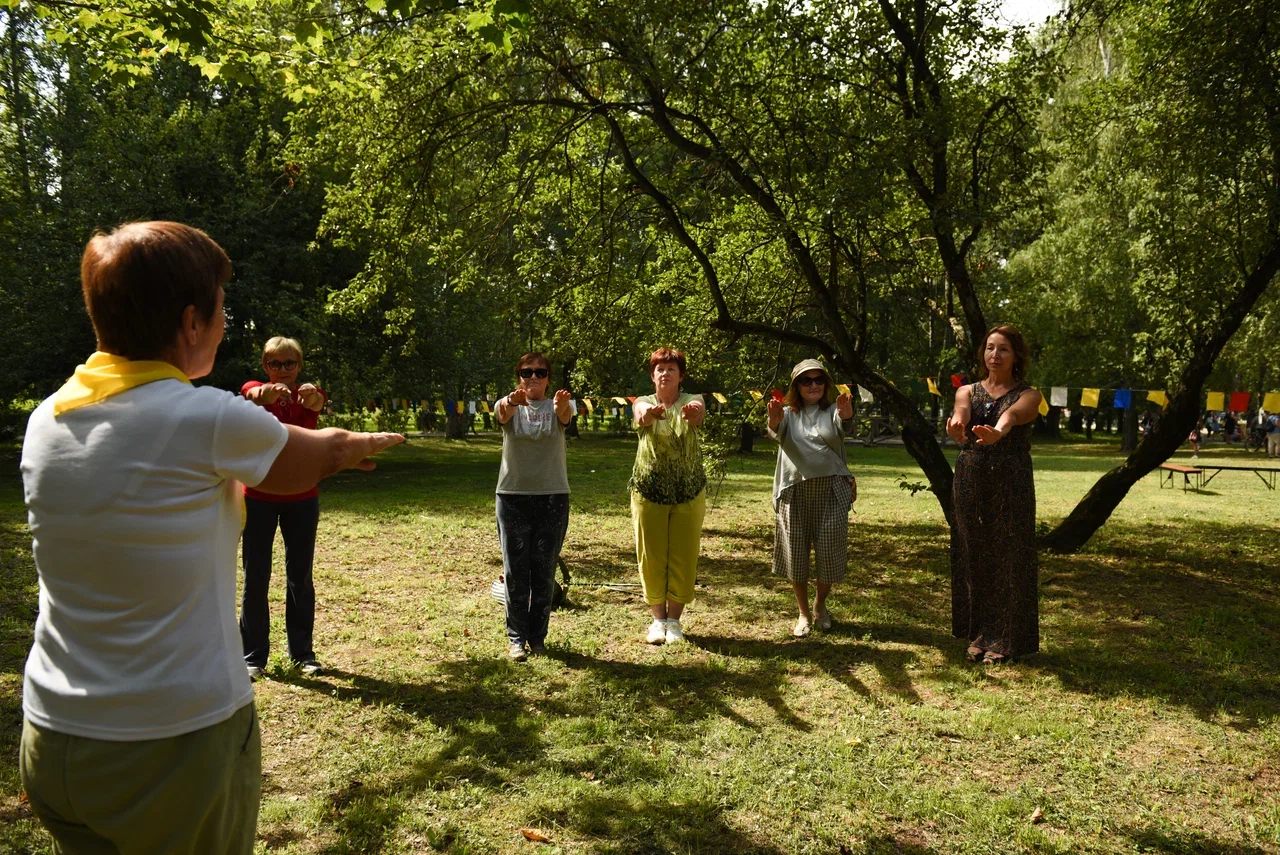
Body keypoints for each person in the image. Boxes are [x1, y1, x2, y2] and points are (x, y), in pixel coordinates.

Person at [18, 221, 402, 853]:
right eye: (224, 312)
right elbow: (315, 453)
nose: (226, 327)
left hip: (55, 737)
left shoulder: (48, 417)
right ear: (192, 322)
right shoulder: (202, 417)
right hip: (169, 744)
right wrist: (362, 445)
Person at [946, 325, 1042, 664]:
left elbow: (1013, 416)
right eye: (989, 348)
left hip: (1010, 478)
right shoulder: (967, 392)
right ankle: (978, 634)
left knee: (1009, 554)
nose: (994, 355)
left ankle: (1005, 640)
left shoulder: (1029, 394)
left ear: (1015, 355)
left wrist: (998, 432)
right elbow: (960, 415)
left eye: (1003, 349)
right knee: (974, 553)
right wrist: (957, 428)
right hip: (971, 475)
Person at [239, 337, 328, 679]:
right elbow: (252, 395)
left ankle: (303, 655)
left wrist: (315, 398)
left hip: (302, 498)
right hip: (258, 496)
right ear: (265, 365)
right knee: (255, 576)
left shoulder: (308, 395)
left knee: (300, 577)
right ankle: (253, 657)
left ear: (299, 365)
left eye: (289, 363)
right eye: (275, 364)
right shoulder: (253, 389)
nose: (283, 369)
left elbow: (318, 402)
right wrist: (266, 393)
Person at [766, 359, 856, 637]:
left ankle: (820, 605)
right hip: (794, 491)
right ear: (797, 386)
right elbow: (774, 432)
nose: (814, 385)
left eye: (819, 380)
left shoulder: (834, 410)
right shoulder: (787, 414)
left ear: (826, 384)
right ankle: (803, 613)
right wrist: (773, 418)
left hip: (832, 490)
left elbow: (846, 428)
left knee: (829, 556)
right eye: (807, 380)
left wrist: (848, 414)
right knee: (796, 557)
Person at [494, 352, 573, 661]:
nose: (534, 377)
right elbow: (502, 414)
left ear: (548, 378)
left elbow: (565, 417)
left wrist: (562, 406)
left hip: (553, 496)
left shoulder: (560, 404)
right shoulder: (509, 403)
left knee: (543, 568)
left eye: (540, 372)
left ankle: (538, 637)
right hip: (512, 496)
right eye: (527, 372)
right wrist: (512, 402)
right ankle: (516, 639)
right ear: (520, 376)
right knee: (516, 571)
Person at [631, 348, 706, 644]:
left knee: (684, 556)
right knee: (651, 557)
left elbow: (697, 415)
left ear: (681, 376)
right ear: (652, 376)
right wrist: (648, 415)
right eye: (659, 369)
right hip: (648, 492)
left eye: (671, 369)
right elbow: (641, 417)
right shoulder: (643, 402)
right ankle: (657, 620)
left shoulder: (692, 400)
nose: (665, 373)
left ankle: (674, 621)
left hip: (688, 492)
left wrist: (692, 415)